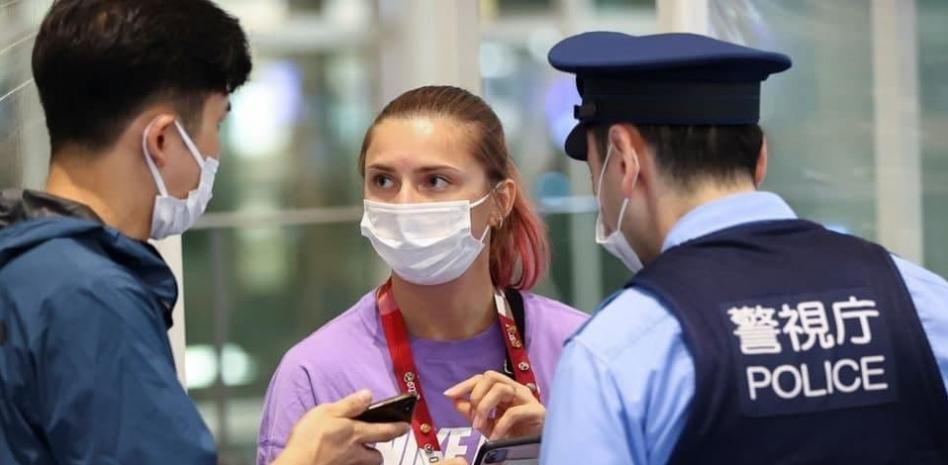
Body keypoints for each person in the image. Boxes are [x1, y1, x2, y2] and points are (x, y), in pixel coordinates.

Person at [0, 1, 409, 464]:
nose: (215, 151)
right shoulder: (90, 298)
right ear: (161, 140)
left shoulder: (24, 265)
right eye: (216, 124)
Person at [539, 31, 948, 465]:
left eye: (594, 170)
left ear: (624, 158)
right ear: (760, 158)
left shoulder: (616, 352)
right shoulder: (919, 299)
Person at [257, 85, 588, 465]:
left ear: (499, 201)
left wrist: (559, 450)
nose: (405, 204)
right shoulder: (314, 374)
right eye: (383, 180)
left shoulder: (578, 352)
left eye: (435, 181)